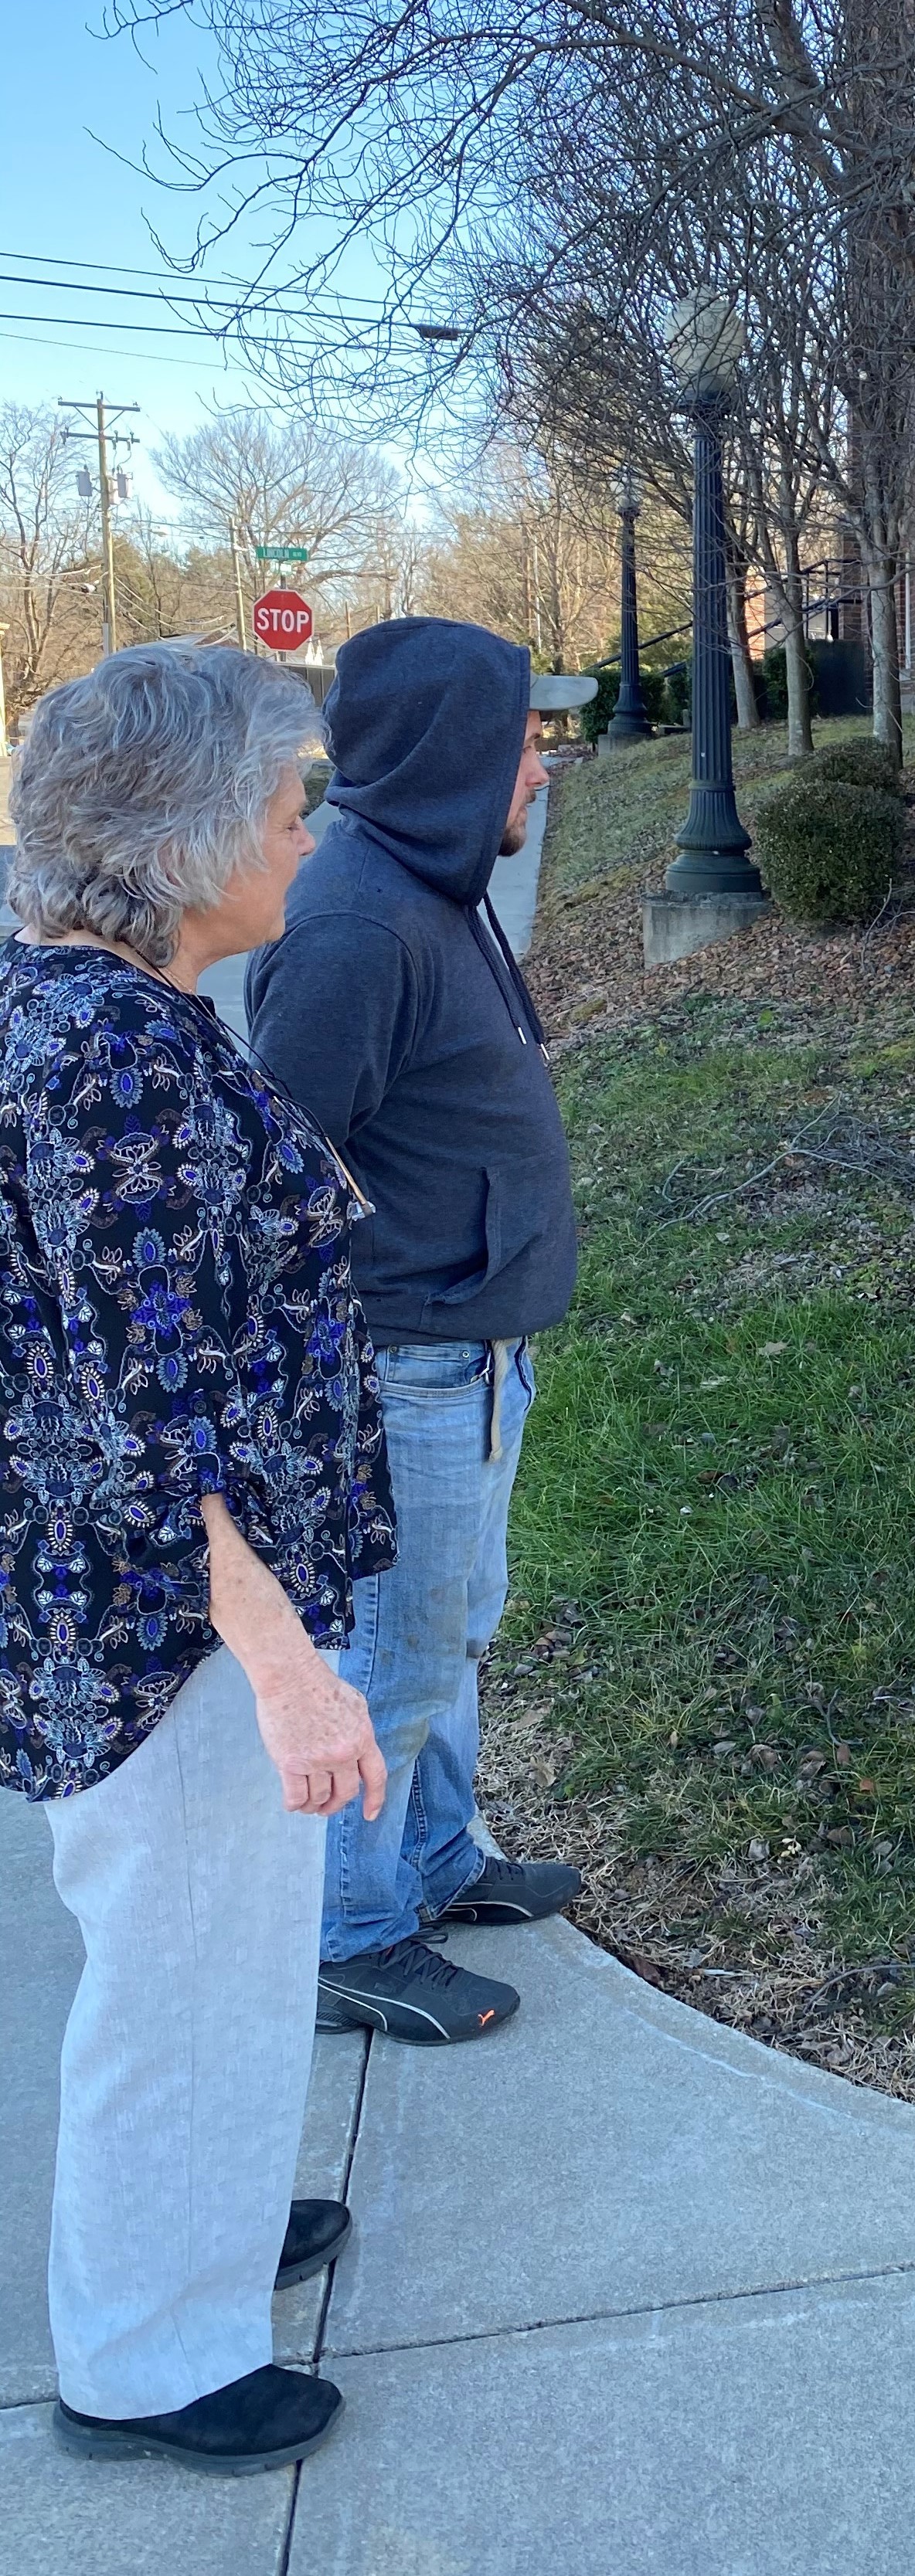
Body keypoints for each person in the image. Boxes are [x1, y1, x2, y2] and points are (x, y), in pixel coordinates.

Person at [5, 640, 393, 2472]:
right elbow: (148, 1395)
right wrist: (286, 1657)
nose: (307, 840)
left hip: (135, 1603)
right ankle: (151, 2354)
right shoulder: (116, 1059)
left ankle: (200, 2226)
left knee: (217, 1958)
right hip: (166, 1627)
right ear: (185, 836)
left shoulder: (85, 1016)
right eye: (286, 804)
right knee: (180, 1972)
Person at [246, 619, 594, 2046]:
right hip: (407, 1364)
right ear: (458, 750)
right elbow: (276, 1177)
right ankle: (350, 1931)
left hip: (477, 1350)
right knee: (394, 1658)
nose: (542, 763)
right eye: (524, 738)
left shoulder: (439, 888)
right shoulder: (352, 923)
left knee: (457, 1629)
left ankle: (441, 1857)